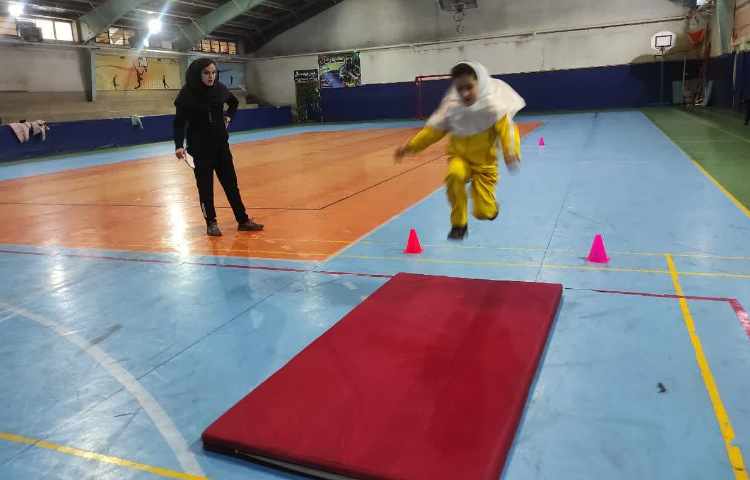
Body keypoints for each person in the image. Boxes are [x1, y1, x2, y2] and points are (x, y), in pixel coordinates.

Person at [395, 61, 525, 240]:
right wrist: (409, 147)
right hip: (460, 158)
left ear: (479, 83)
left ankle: (491, 208)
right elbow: (431, 133)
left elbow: (508, 130)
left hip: (484, 166)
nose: (464, 93)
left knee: (482, 212)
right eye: (460, 88)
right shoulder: (452, 108)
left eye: (469, 87)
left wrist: (511, 151)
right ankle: (459, 224)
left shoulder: (493, 107)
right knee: (455, 176)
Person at [174, 58, 263, 237]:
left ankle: (243, 220)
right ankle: (211, 223)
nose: (211, 76)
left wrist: (228, 116)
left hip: (221, 147)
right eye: (206, 73)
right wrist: (178, 145)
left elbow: (233, 103)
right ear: (197, 74)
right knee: (205, 189)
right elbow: (179, 123)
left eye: (214, 72)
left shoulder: (220, 89)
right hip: (200, 150)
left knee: (231, 186)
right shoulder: (186, 95)